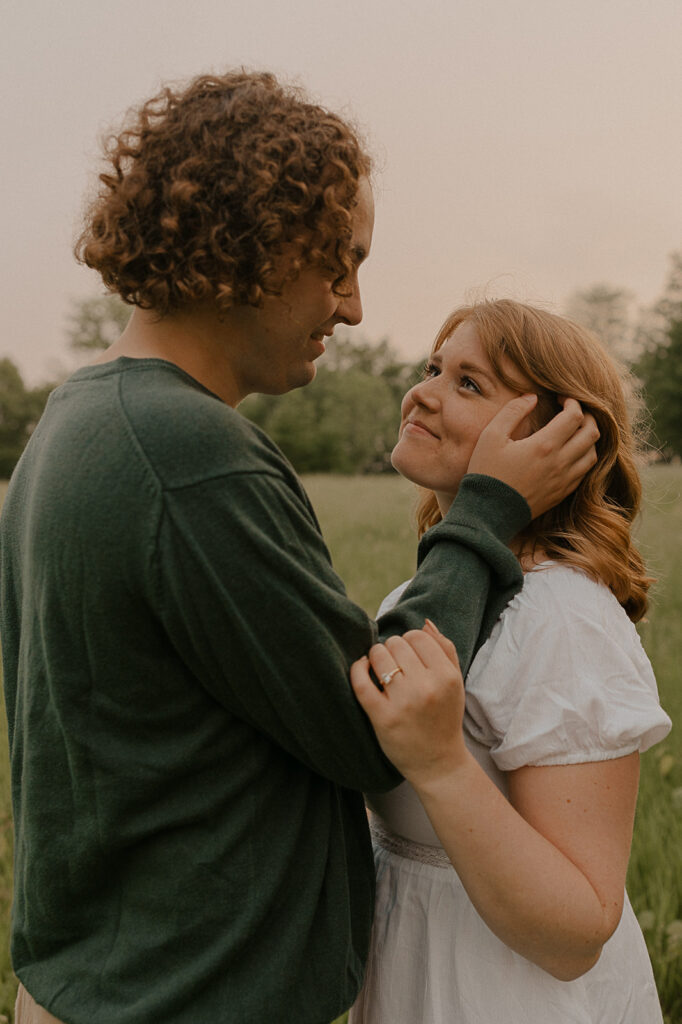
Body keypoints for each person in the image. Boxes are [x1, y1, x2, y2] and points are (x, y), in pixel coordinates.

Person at [0, 74, 598, 1024]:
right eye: (339, 264)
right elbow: (374, 726)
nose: (354, 308)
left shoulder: (77, 422)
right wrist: (485, 512)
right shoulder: (188, 453)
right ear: (260, 245)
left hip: (108, 990)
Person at [348, 298, 672, 1024]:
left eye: (469, 383)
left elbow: (579, 932)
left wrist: (441, 765)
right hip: (413, 963)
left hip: (505, 994)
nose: (422, 392)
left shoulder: (563, 619)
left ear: (553, 437)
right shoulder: (421, 593)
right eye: (434, 367)